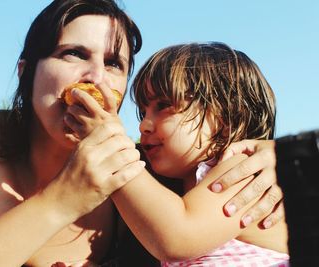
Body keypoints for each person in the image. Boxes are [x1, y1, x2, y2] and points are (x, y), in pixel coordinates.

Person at [0, 0, 284, 266]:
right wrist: (62, 200)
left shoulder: (151, 169)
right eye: (73, 54)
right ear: (26, 71)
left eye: (113, 63)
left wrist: (278, 157)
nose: (95, 77)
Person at [66, 42, 289, 266]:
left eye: (163, 105)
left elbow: (176, 238)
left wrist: (109, 142)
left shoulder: (244, 169)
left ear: (225, 120)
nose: (144, 125)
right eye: (143, 112)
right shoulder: (179, 192)